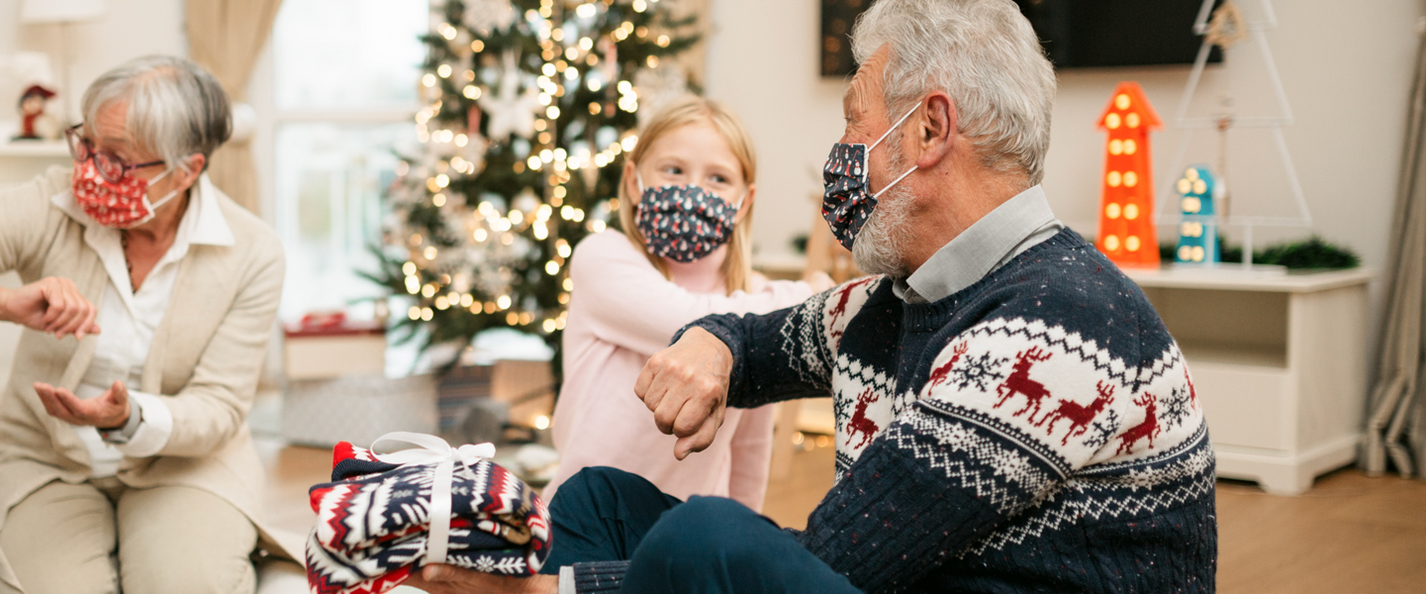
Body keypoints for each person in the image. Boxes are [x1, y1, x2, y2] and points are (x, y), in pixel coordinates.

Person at [409, 1, 1216, 592]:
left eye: (854, 125)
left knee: (705, 538)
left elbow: (838, 559)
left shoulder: (1050, 322)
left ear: (931, 132)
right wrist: (714, 343)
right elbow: (762, 338)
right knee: (598, 499)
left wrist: (543, 591)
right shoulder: (902, 296)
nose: (841, 155)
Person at [0, 54, 288, 594]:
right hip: (44, 459)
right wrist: (2, 301)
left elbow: (220, 408)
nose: (88, 169)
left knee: (184, 583)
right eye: (84, 144)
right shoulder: (49, 203)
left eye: (116, 160)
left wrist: (129, 417)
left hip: (185, 464)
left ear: (186, 171)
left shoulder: (253, 252)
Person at [548, 97, 832, 510]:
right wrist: (808, 298)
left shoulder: (754, 293)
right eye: (673, 170)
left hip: (687, 530)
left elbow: (751, 446)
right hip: (585, 515)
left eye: (717, 178)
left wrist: (739, 535)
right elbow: (693, 322)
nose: (693, 191)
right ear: (633, 181)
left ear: (744, 202)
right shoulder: (603, 259)